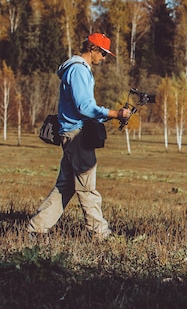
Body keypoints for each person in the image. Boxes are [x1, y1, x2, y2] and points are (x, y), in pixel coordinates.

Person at [28, 33, 131, 241]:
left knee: (65, 186)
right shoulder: (78, 70)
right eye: (103, 53)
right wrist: (115, 114)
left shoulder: (76, 70)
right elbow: (85, 107)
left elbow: (82, 109)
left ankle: (36, 229)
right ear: (92, 49)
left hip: (73, 132)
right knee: (87, 187)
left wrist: (107, 117)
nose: (104, 58)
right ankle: (100, 234)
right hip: (77, 136)